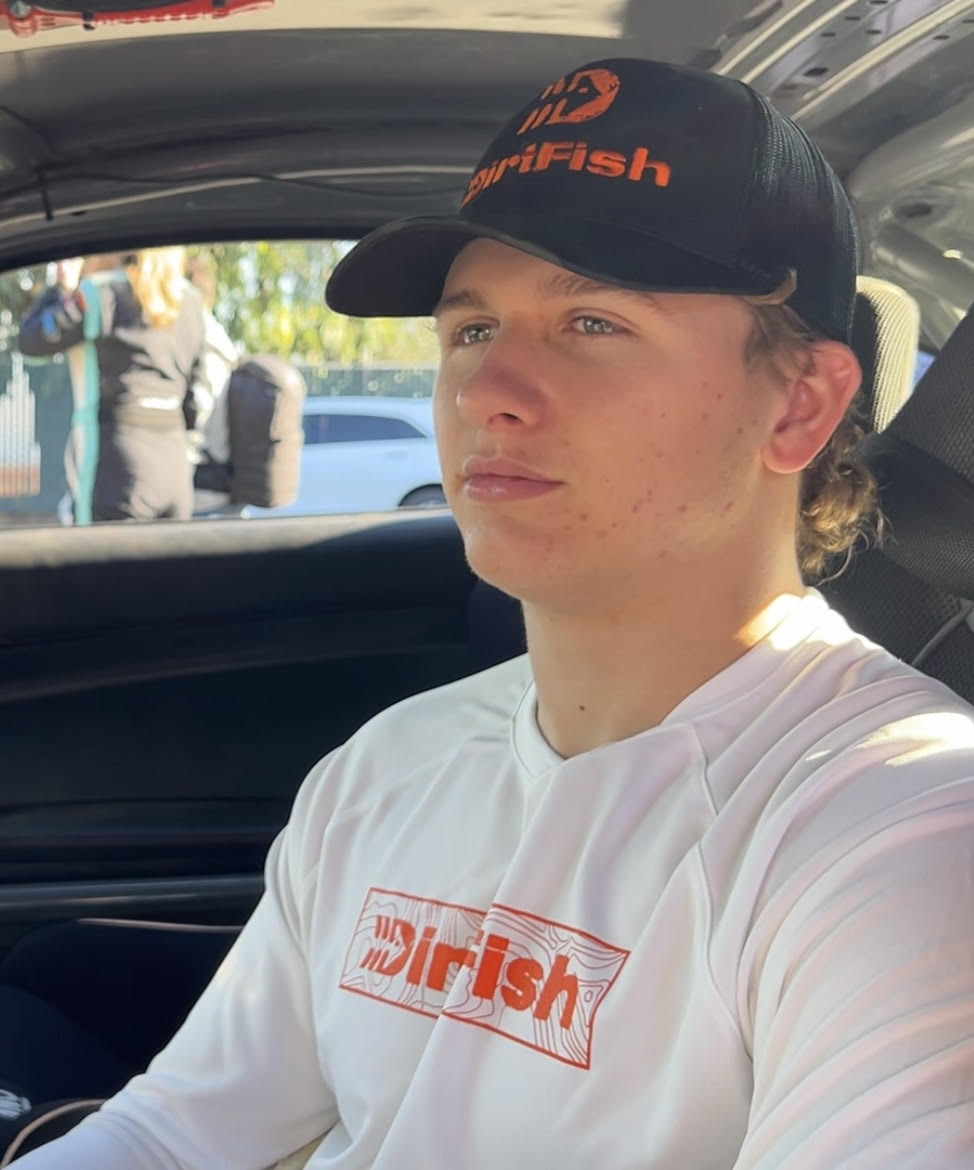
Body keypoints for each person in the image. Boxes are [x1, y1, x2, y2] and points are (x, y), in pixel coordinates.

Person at [15, 57, 974, 1169]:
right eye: (471, 330)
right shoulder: (389, 766)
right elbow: (175, 1131)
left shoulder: (899, 827)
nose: (484, 393)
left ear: (798, 405)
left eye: (592, 323)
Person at [18, 247, 205, 523]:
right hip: (176, 468)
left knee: (102, 551)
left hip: (118, 466)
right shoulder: (191, 300)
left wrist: (61, 288)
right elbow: (194, 400)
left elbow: (32, 339)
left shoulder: (101, 293)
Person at [184, 253, 240, 515]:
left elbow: (197, 414)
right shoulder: (219, 343)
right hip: (216, 491)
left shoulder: (201, 348)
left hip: (201, 493)